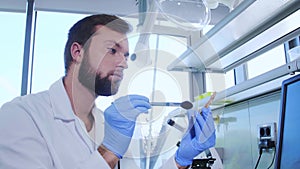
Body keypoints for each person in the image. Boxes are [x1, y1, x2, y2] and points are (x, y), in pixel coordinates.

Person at [0, 14, 216, 169]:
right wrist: (109, 152)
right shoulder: (21, 116)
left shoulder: (110, 125)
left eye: (125, 55)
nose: (123, 63)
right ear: (78, 52)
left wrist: (180, 160)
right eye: (112, 50)